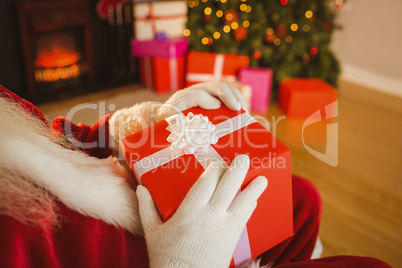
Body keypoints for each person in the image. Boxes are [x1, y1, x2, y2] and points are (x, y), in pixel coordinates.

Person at [0, 83, 390, 268]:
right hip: (173, 255)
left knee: (297, 196)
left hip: (164, 210)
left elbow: (63, 138)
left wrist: (144, 123)